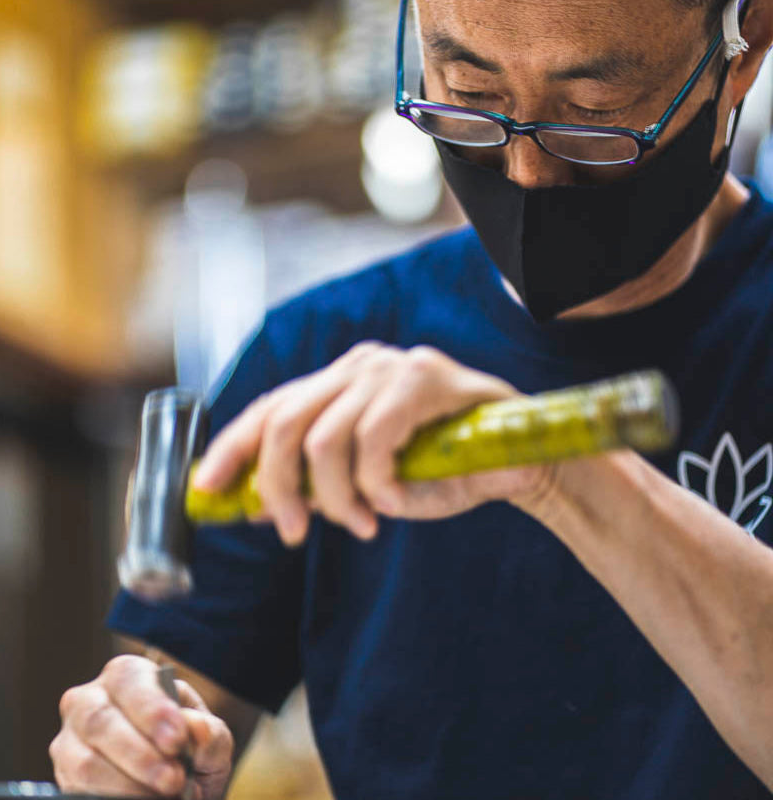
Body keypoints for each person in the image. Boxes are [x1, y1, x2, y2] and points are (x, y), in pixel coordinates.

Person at [50, 0, 773, 797]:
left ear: (746, 47)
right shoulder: (316, 362)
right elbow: (168, 707)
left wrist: (560, 471)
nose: (527, 174)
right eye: (470, 95)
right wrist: (130, 747)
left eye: (592, 114)